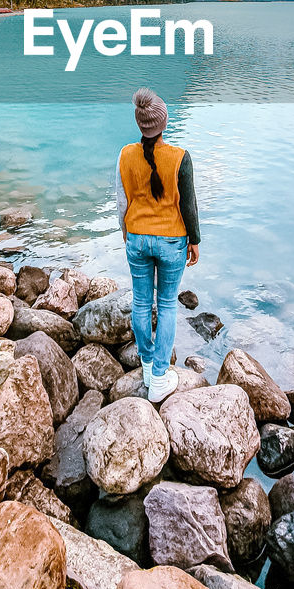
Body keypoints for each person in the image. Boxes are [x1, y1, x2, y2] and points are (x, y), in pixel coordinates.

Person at [115, 86, 200, 403]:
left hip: (137, 237)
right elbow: (189, 207)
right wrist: (194, 241)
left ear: (140, 124)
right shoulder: (179, 158)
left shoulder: (126, 154)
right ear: (163, 123)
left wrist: (127, 232)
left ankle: (148, 366)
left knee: (140, 304)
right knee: (165, 305)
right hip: (171, 241)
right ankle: (160, 377)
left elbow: (121, 202)